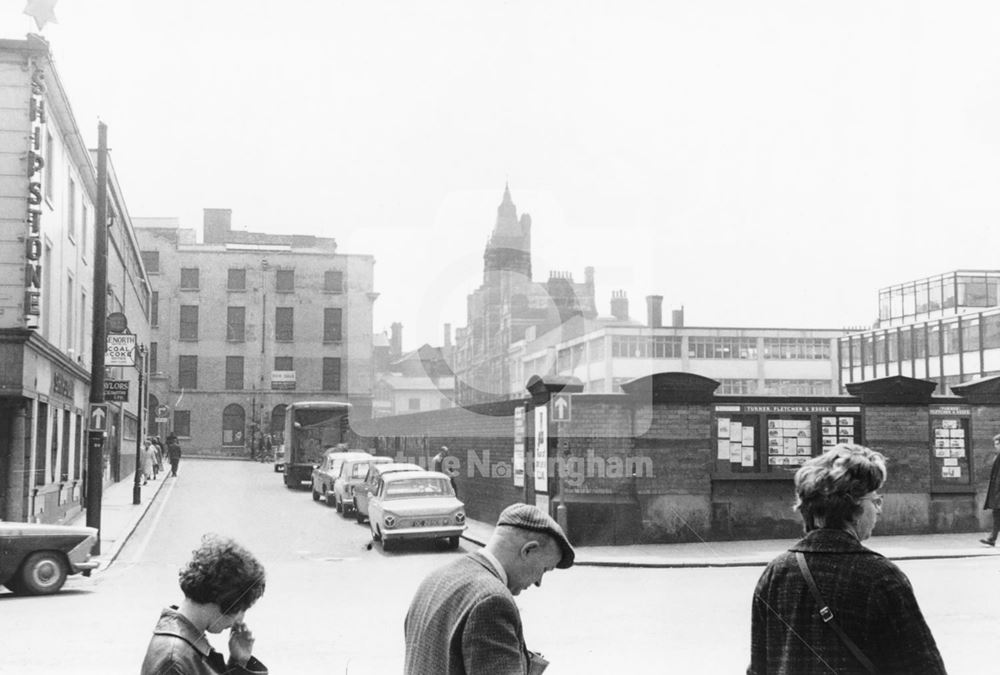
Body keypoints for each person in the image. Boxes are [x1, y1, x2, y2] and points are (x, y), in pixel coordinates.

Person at [748, 443, 946, 674]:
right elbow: (923, 667)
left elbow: (759, 666)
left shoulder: (776, 573)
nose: (879, 510)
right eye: (875, 500)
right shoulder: (880, 577)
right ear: (853, 506)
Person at [404, 502, 574, 674]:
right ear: (528, 550)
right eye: (544, 569)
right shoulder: (492, 600)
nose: (539, 582)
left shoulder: (435, 578)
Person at [141, 534, 267, 674]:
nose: (239, 620)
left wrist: (239, 661)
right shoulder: (174, 660)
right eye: (241, 609)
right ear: (225, 599)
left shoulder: (185, 647)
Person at [980, 433, 1000, 546]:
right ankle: (992, 539)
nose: (995, 446)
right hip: (997, 492)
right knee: (996, 515)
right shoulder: (997, 457)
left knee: (997, 515)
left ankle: (992, 538)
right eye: (995, 444)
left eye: (997, 444)